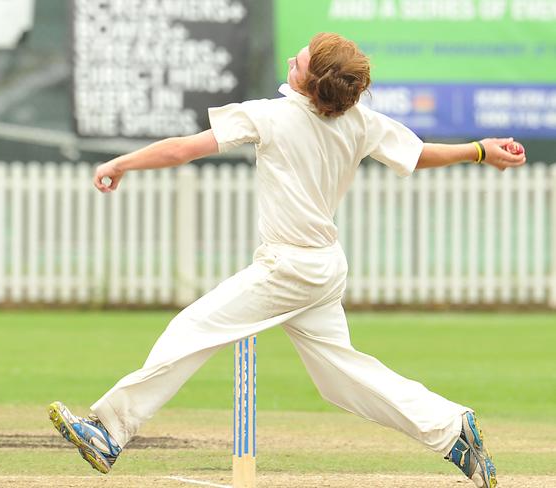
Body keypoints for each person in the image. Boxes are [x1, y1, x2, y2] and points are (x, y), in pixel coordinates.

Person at [49, 32, 525, 488]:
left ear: (308, 81)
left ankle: (110, 431)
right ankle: (449, 427)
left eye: (298, 61)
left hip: (290, 269)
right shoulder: (358, 119)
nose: (291, 61)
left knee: (193, 329)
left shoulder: (270, 116)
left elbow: (183, 149)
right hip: (324, 266)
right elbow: (418, 154)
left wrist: (120, 163)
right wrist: (480, 150)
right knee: (339, 379)